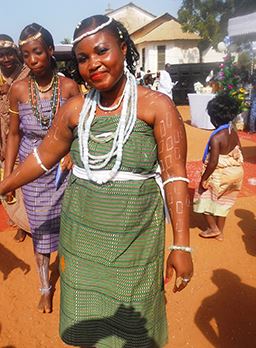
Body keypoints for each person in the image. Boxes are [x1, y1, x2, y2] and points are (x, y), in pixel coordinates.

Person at [0, 15, 193, 347]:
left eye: (102, 51)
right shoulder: (75, 109)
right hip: (81, 236)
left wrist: (181, 244)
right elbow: (41, 157)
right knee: (88, 318)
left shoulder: (156, 106)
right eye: (83, 58)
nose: (94, 64)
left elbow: (175, 175)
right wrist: (4, 185)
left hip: (135, 236)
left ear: (122, 48)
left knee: (134, 319)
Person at [4, 23, 80, 313]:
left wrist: (71, 151)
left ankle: (72, 281)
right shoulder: (19, 90)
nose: (32, 60)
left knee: (68, 227)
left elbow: (79, 129)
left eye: (37, 52)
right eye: (26, 55)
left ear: (50, 51)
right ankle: (45, 287)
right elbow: (14, 134)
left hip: (63, 168)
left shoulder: (70, 87)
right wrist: (10, 177)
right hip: (32, 172)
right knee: (41, 230)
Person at [193, 94, 244, 241]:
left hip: (220, 173)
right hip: (235, 172)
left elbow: (213, 162)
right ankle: (220, 232)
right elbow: (238, 149)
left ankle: (212, 228)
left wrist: (204, 179)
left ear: (214, 118)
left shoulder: (216, 137)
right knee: (224, 202)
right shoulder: (232, 131)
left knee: (202, 197)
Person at [0, 34, 30, 241]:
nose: (6, 59)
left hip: (26, 136)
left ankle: (26, 224)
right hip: (3, 138)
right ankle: (19, 220)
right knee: (9, 181)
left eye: (9, 54)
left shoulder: (28, 73)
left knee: (27, 180)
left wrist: (10, 89)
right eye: (1, 55)